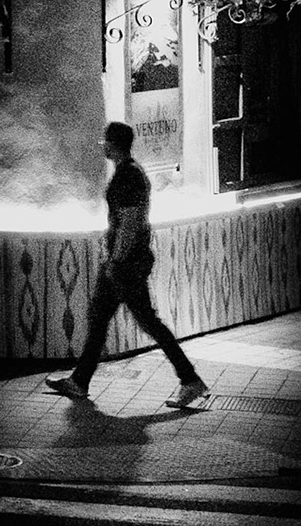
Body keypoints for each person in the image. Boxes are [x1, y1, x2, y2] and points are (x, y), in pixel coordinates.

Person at [46, 122, 208, 405]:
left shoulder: (127, 177)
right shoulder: (129, 173)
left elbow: (130, 223)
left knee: (148, 321)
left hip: (125, 265)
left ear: (113, 143)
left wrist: (115, 260)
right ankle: (79, 381)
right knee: (100, 319)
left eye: (105, 141)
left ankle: (190, 380)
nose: (103, 146)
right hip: (123, 263)